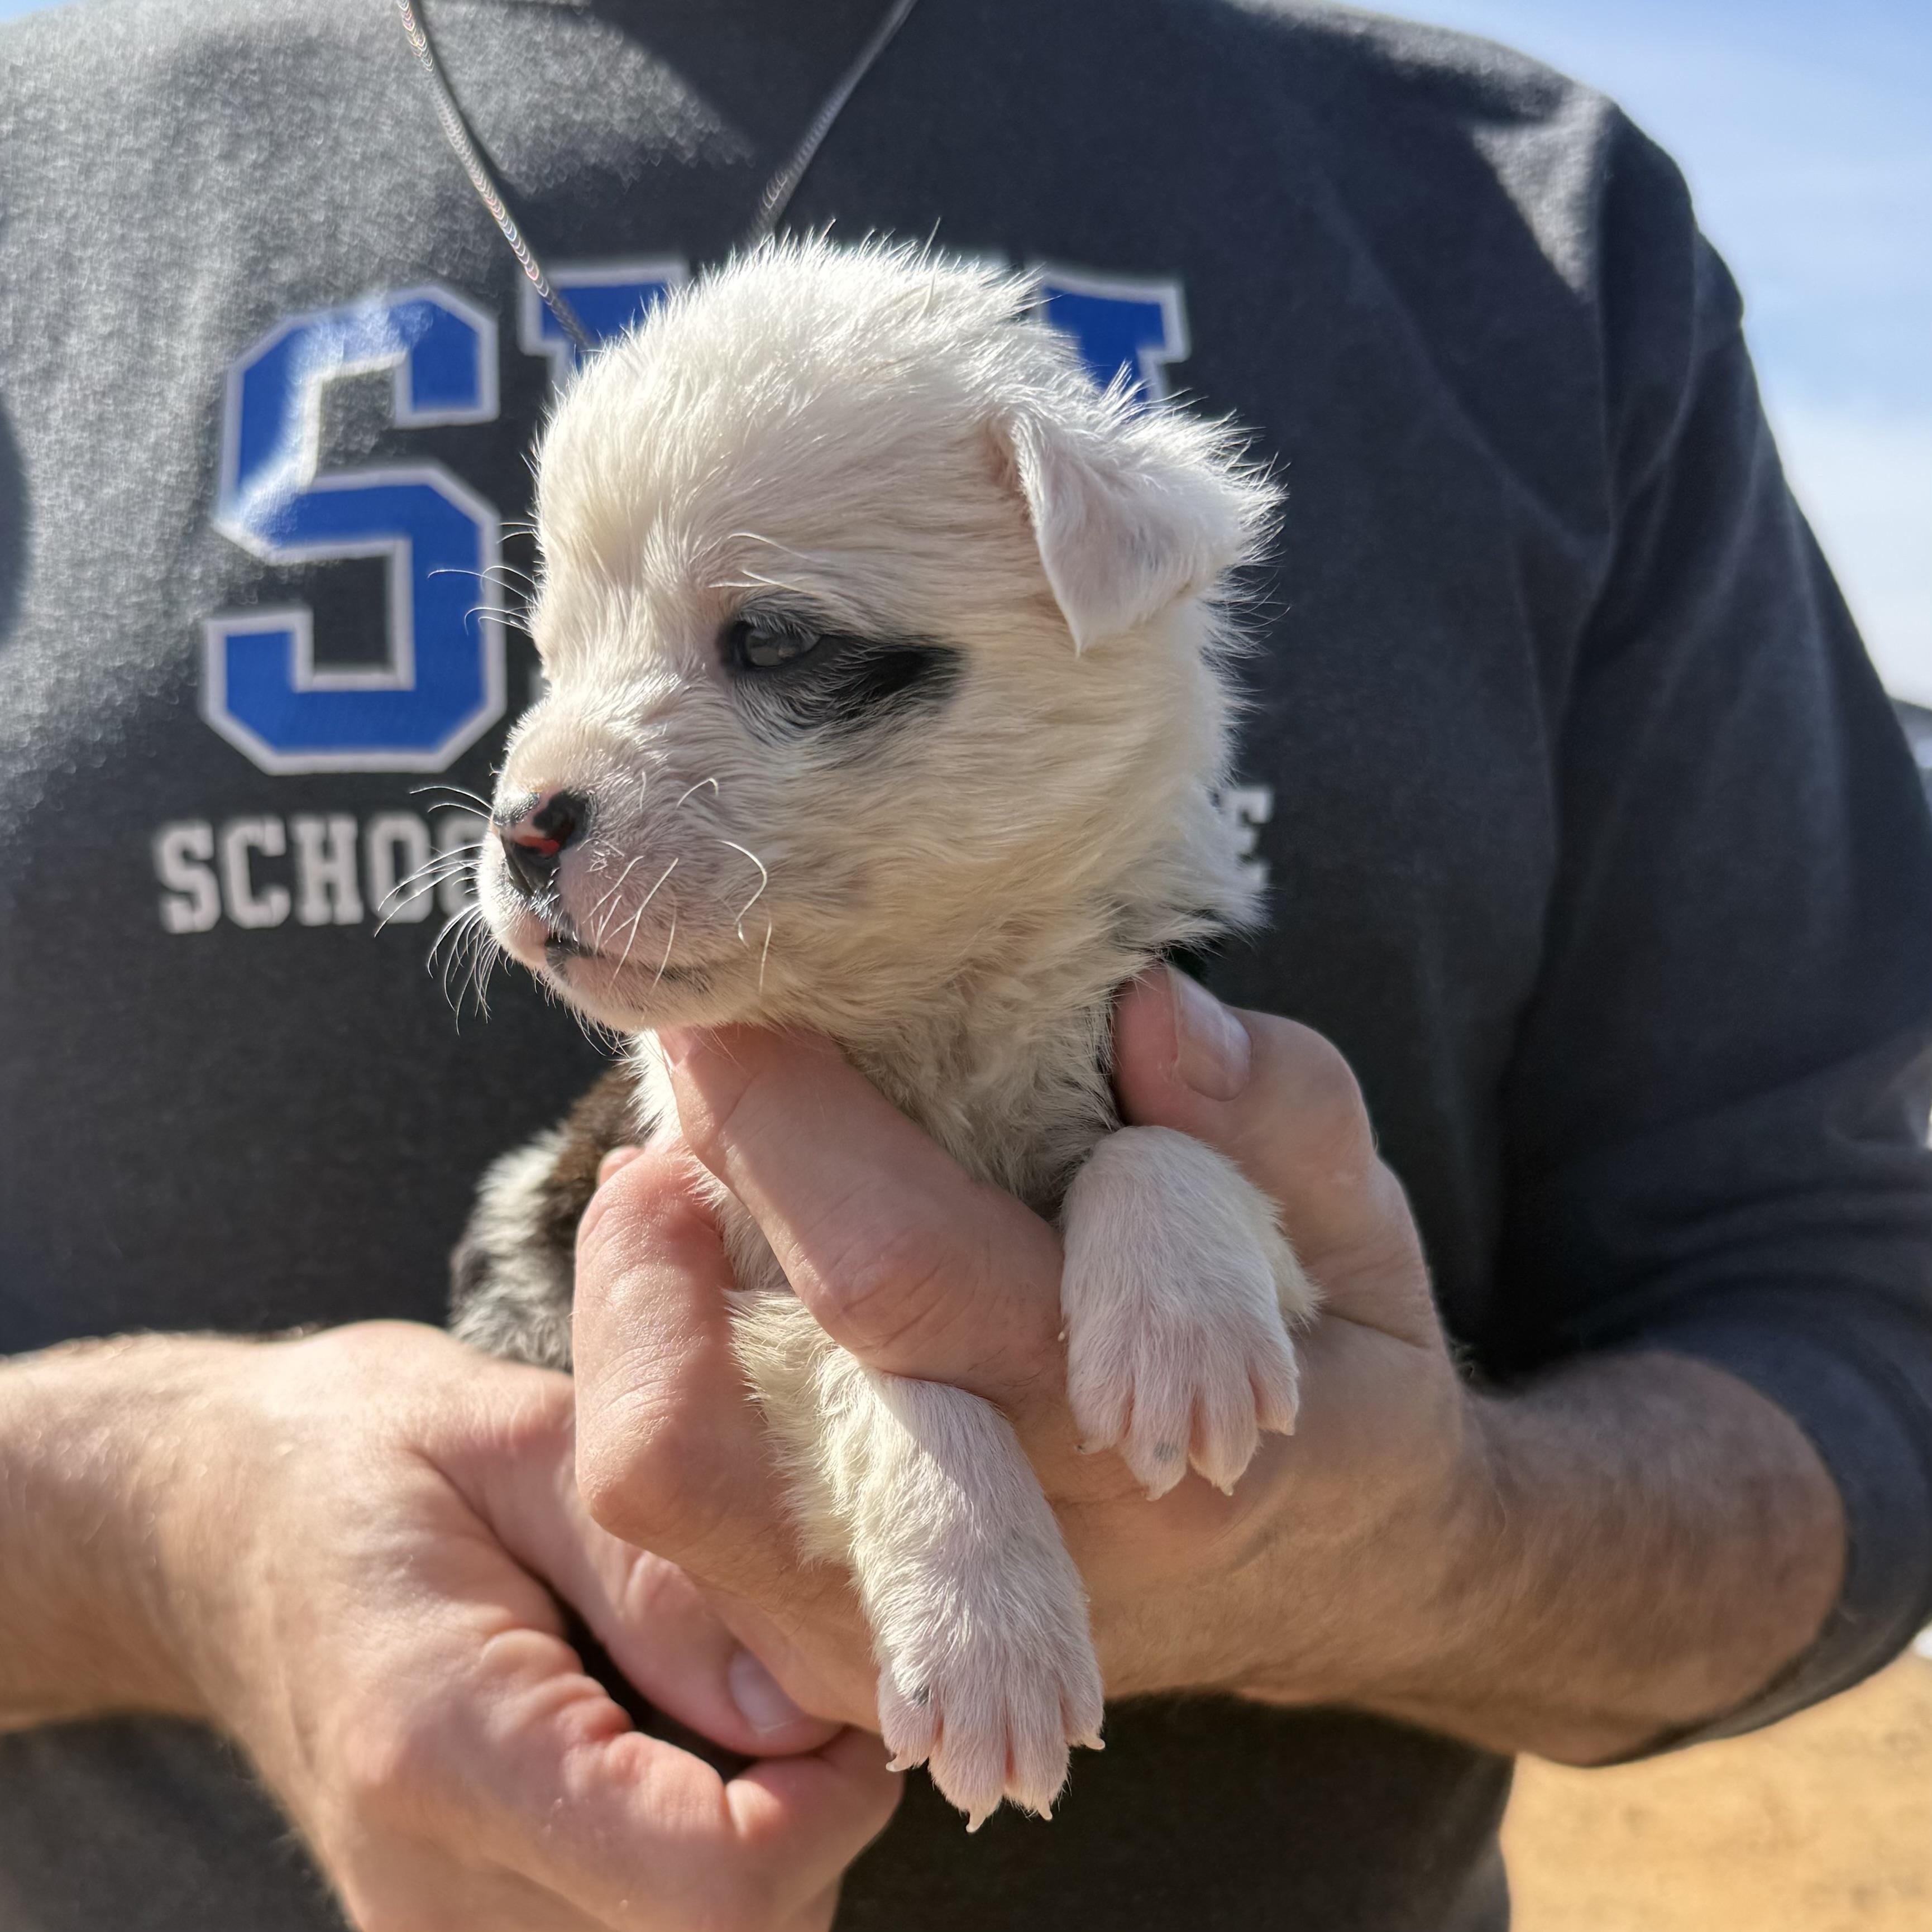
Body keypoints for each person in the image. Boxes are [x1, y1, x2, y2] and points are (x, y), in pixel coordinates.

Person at [1, 1, 1928, 1928]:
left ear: (1103, 612)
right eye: (560, 651)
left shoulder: (1535, 228)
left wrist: (1416, 1536)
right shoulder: (40, 155)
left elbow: (1851, 1318)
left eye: (772, 647)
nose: (537, 790)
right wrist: (165, 1524)